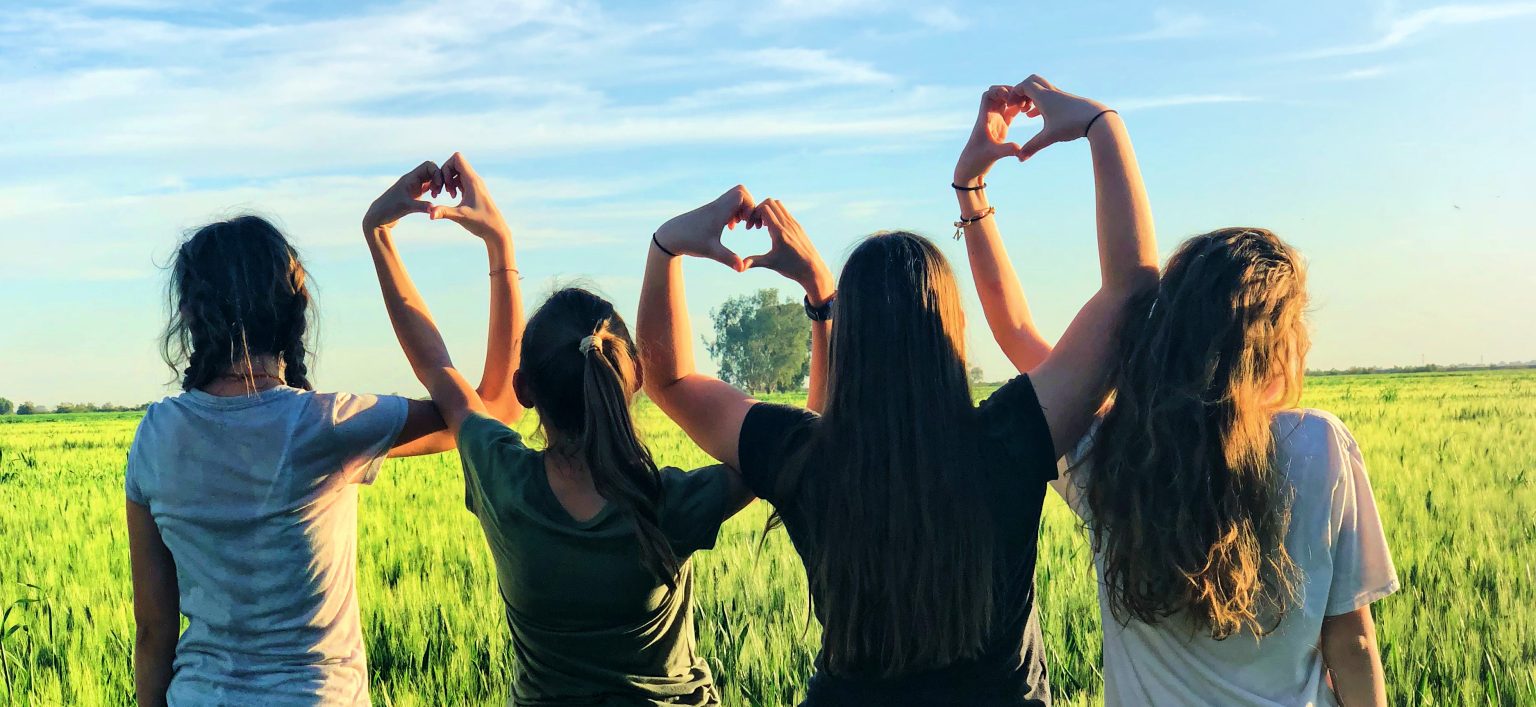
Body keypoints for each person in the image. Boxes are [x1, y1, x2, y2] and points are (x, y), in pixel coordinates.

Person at [634, 74, 1158, 705]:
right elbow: (1130, 293)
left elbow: (668, 379)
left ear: (851, 338)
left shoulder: (801, 455)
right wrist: (1101, 124)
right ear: (953, 330)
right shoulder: (1011, 437)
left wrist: (667, 247)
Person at [962, 91, 1397, 703]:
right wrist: (1101, 125)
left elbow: (1016, 333)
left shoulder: (1113, 454)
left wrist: (973, 190)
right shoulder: (1320, 446)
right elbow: (1352, 644)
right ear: (1278, 345)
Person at [362, 154, 813, 706]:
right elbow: (797, 446)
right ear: (635, 379)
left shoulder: (502, 479)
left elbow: (436, 365)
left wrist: (385, 232)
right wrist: (820, 301)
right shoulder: (668, 502)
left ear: (525, 390)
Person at [126, 167, 520, 706]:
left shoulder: (155, 435)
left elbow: (152, 633)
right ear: (295, 308)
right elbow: (494, 409)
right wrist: (497, 244)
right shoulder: (327, 424)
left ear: (189, 314)